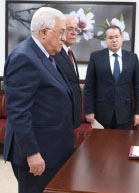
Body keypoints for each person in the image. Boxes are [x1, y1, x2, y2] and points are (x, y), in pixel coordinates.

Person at [3, 7, 74, 193]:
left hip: (52, 149)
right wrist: (32, 153)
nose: (64, 37)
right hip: (38, 154)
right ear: (43, 32)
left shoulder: (46, 56)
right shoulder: (24, 58)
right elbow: (18, 111)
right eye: (61, 32)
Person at [84, 25, 139, 129]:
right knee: (102, 144)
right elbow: (89, 87)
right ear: (105, 40)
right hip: (102, 112)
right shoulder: (95, 57)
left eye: (116, 37)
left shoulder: (132, 58)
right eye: (110, 38)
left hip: (125, 112)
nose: (114, 40)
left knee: (123, 144)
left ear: (122, 38)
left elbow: (138, 87)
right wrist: (89, 111)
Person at [54, 15, 82, 128]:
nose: (74, 33)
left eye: (76, 30)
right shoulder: (54, 53)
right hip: (59, 116)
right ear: (61, 30)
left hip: (71, 115)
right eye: (70, 29)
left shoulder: (69, 52)